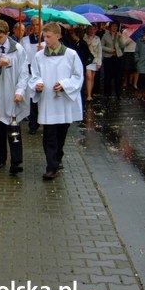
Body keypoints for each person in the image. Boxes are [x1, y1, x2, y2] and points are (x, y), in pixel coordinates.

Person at [29, 22, 84, 181]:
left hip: (64, 101)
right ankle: (51, 166)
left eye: (48, 36)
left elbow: (77, 76)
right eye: (44, 36)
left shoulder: (71, 55)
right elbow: (34, 75)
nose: (45, 40)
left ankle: (58, 155)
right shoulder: (39, 56)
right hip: (48, 100)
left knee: (61, 132)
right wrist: (37, 84)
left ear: (58, 36)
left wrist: (65, 85)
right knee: (49, 134)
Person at [0, 20, 28, 175]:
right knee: (0, 128)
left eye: (0, 37)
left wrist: (20, 91)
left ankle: (16, 161)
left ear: (8, 35)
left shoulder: (18, 49)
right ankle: (0, 159)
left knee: (14, 128)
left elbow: (23, 72)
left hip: (13, 93)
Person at [22, 16, 43, 134]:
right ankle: (33, 125)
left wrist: (43, 51)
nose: (35, 27)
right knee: (32, 100)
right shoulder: (25, 40)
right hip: (30, 73)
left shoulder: (47, 40)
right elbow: (22, 56)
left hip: (44, 74)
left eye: (38, 25)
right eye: (33, 25)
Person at [100, 21, 125, 100]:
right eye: (113, 26)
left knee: (118, 77)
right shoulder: (105, 35)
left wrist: (120, 37)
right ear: (110, 27)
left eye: (116, 26)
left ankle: (118, 94)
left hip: (118, 57)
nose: (115, 28)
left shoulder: (119, 35)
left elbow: (123, 45)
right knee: (108, 76)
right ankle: (107, 93)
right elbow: (102, 46)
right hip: (108, 58)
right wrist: (110, 50)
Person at [83, 25, 102, 102]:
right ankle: (88, 95)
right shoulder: (84, 37)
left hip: (94, 60)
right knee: (88, 77)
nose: (91, 31)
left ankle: (89, 92)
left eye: (93, 29)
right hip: (87, 60)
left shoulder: (97, 38)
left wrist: (99, 62)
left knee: (92, 78)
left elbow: (99, 51)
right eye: (90, 29)